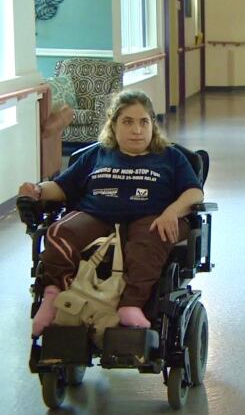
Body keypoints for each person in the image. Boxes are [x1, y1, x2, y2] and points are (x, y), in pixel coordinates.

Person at [19, 89, 204, 336]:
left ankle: (131, 305)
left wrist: (172, 211)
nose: (137, 130)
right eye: (127, 122)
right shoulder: (97, 154)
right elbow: (62, 187)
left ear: (153, 125)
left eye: (144, 122)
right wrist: (38, 190)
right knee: (58, 232)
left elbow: (194, 192)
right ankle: (54, 297)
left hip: (150, 216)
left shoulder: (170, 157)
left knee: (151, 238)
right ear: (114, 124)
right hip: (97, 213)